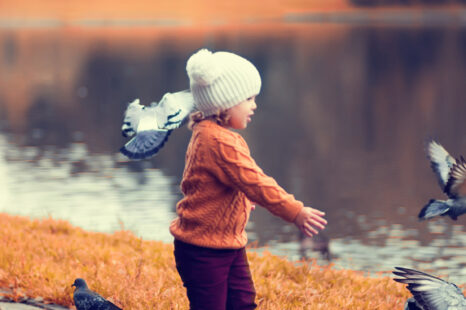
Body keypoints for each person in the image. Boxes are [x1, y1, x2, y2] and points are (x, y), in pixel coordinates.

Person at [169, 48, 327, 310]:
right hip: (204, 251)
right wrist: (295, 211)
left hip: (226, 244)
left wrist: (238, 202)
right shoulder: (219, 142)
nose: (254, 105)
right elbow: (255, 183)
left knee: (243, 302)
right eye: (248, 98)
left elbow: (214, 185)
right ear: (224, 103)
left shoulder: (208, 132)